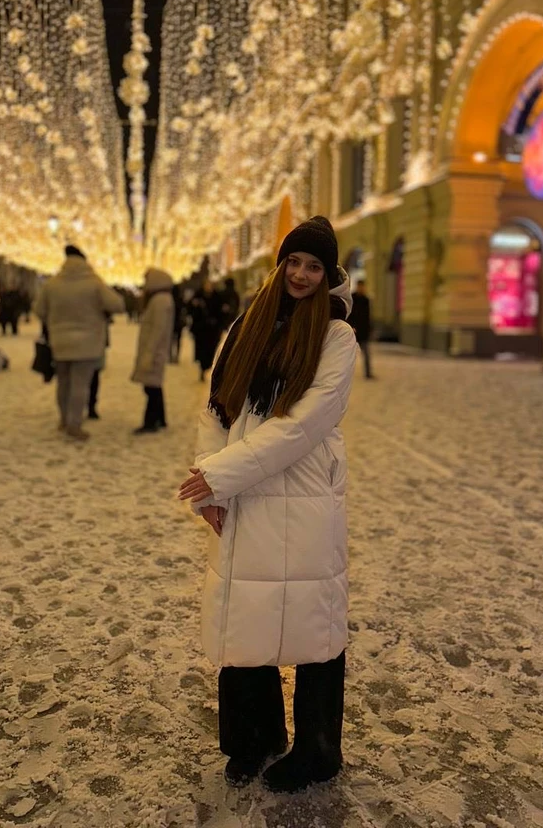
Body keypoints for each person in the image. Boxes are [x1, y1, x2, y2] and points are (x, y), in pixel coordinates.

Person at [179, 216, 357, 794]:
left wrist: (218, 475)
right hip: (244, 490)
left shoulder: (336, 336)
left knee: (313, 621)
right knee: (244, 613)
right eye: (295, 263)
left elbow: (303, 426)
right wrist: (212, 483)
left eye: (315, 267)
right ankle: (252, 738)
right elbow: (216, 408)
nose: (303, 275)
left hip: (304, 493)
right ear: (279, 267)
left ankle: (318, 750)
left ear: (328, 276)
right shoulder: (243, 326)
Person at [34, 245, 124, 441]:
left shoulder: (53, 284)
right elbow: (117, 305)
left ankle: (64, 420)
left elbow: (39, 310)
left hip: (59, 342)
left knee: (63, 383)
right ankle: (75, 424)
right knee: (80, 385)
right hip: (88, 343)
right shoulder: (93, 282)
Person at [132, 268, 174, 434]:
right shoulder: (162, 299)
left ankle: (151, 421)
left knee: (151, 387)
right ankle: (160, 418)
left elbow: (157, 329)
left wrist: (149, 353)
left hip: (154, 350)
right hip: (155, 349)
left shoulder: (160, 301)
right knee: (154, 385)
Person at [190, 279, 223, 382]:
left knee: (210, 350)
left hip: (213, 331)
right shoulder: (198, 296)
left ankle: (206, 367)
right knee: (201, 351)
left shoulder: (217, 297)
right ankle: (202, 369)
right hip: (201, 330)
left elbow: (220, 312)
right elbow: (191, 310)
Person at [347, 279, 374, 379]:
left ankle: (368, 373)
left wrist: (369, 329)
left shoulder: (366, 300)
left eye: (362, 286)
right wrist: (350, 326)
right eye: (359, 286)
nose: (361, 288)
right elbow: (349, 314)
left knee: (366, 354)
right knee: (348, 354)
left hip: (363, 331)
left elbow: (368, 317)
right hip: (352, 330)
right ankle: (345, 374)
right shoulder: (352, 298)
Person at [170, 284, 186, 364]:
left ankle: (170, 356)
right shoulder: (181, 299)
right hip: (179, 323)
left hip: (171, 322)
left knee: (170, 340)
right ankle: (177, 356)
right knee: (178, 340)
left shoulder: (170, 300)